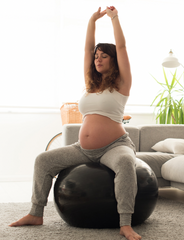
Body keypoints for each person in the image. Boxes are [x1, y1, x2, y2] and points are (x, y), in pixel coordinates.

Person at [9, 6, 142, 240]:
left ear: (113, 60)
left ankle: (125, 224)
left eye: (104, 55)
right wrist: (91, 21)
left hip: (115, 146)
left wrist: (114, 18)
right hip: (83, 150)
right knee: (43, 160)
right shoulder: (91, 84)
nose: (97, 59)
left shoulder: (122, 83)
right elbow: (86, 49)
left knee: (124, 162)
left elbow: (121, 47)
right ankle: (35, 213)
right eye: (96, 56)